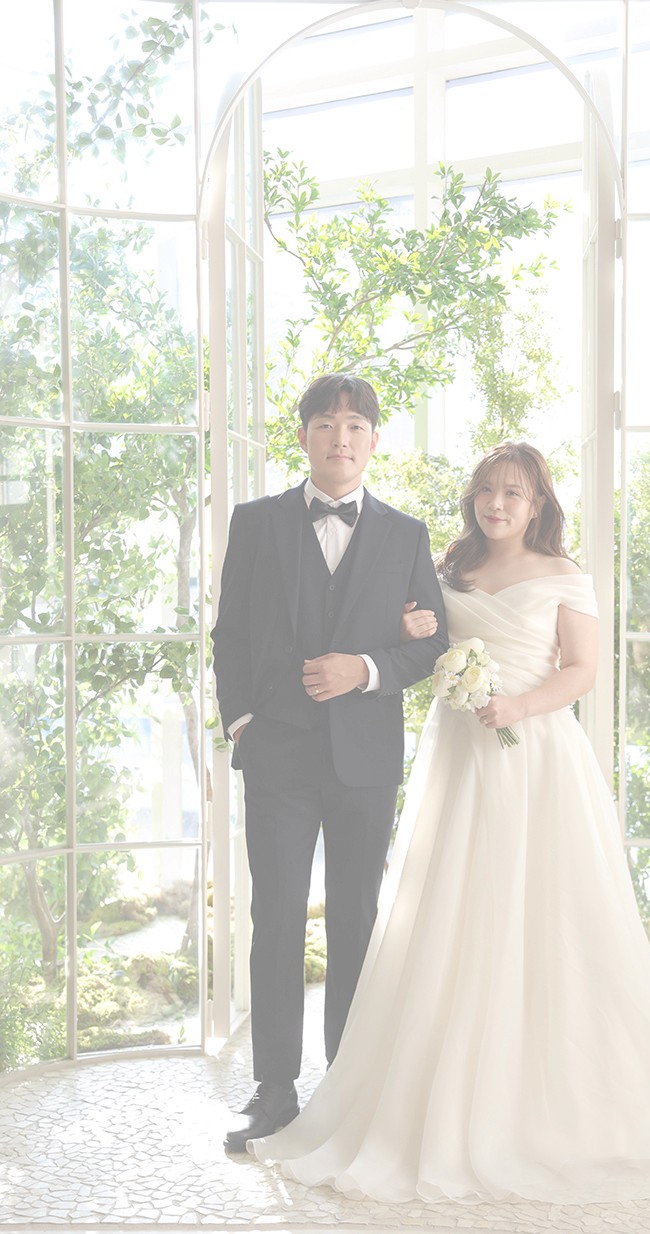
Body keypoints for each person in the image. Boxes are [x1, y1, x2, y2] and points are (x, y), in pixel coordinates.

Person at [249, 441, 650, 1202]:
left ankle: (548, 1101)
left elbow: (582, 671)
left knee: (546, 917)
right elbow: (409, 643)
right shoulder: (448, 569)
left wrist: (517, 705)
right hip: (458, 756)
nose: (497, 505)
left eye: (513, 494)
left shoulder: (564, 574)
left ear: (538, 503)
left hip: (533, 756)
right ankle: (421, 1090)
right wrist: (418, 633)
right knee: (449, 915)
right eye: (486, 491)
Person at [211, 373, 448, 1152]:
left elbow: (430, 643)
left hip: (365, 761)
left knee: (356, 921)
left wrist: (367, 668)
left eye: (354, 426)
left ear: (374, 440)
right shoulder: (255, 523)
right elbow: (230, 634)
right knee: (274, 919)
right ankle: (273, 1090)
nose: (339, 438)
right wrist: (242, 722)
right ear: (305, 435)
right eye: (325, 424)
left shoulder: (406, 534)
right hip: (275, 753)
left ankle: (346, 1087)